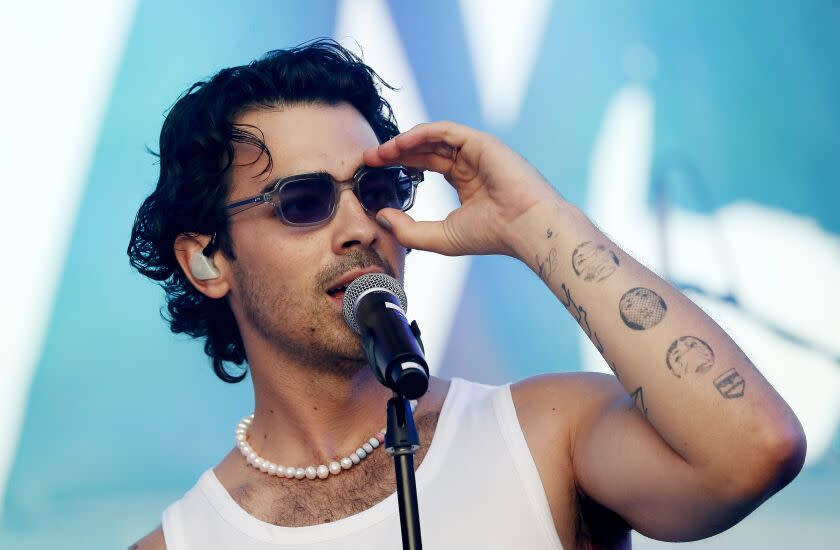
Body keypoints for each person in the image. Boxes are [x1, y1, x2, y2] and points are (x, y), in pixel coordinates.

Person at [127, 39, 805, 549]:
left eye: (378, 190)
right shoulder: (178, 541)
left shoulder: (547, 431)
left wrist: (533, 221)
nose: (361, 225)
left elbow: (751, 452)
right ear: (207, 260)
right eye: (302, 202)